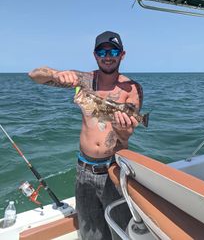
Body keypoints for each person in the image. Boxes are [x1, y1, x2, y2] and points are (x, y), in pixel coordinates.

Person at [29, 31, 143, 240]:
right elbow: (34, 76)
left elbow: (125, 138)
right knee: (90, 230)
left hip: (114, 171)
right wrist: (56, 74)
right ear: (95, 54)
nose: (107, 56)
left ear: (122, 55)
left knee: (119, 229)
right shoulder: (83, 80)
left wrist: (120, 127)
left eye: (113, 51)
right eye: (102, 51)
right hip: (83, 170)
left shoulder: (132, 89)